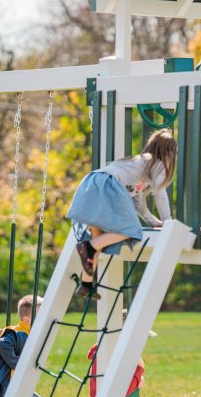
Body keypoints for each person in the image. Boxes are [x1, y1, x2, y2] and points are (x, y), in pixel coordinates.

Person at [67, 128, 177, 299]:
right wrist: (168, 222)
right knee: (130, 229)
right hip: (106, 185)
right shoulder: (158, 163)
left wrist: (154, 222)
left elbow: (139, 204)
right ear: (168, 153)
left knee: (98, 239)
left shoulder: (139, 164)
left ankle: (86, 284)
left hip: (91, 183)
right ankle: (87, 247)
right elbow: (160, 195)